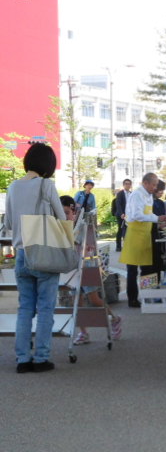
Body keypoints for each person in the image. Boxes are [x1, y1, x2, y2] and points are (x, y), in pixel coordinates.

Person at [3, 143, 65, 372]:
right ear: (48, 164)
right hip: (43, 252)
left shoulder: (13, 186)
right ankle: (41, 358)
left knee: (25, 308)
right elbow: (61, 217)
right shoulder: (46, 185)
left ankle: (22, 360)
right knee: (46, 308)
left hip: (21, 254)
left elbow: (8, 223)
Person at [59, 196, 123, 345]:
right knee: (77, 301)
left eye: (67, 212)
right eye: (61, 213)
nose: (65, 217)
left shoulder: (82, 226)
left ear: (74, 212)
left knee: (94, 299)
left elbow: (88, 244)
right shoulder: (61, 227)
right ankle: (83, 332)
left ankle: (115, 318)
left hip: (88, 267)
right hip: (72, 268)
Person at [120, 173, 166, 307]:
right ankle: (132, 298)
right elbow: (137, 215)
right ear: (145, 183)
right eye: (154, 185)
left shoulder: (148, 195)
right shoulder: (137, 195)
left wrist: (159, 218)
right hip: (134, 234)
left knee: (147, 267)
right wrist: (157, 218)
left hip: (145, 234)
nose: (155, 188)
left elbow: (149, 214)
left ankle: (148, 296)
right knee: (132, 269)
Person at [114, 178, 133, 252]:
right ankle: (118, 246)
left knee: (128, 230)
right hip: (121, 215)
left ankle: (127, 246)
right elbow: (118, 204)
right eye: (126, 184)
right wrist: (121, 213)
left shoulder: (132, 194)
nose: (127, 185)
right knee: (120, 230)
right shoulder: (120, 193)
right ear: (123, 185)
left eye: (129, 184)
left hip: (129, 215)